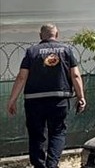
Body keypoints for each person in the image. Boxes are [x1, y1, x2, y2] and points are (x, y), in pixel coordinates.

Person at [5, 24, 86, 168]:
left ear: (40, 36)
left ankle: (39, 165)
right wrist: (81, 97)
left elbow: (21, 77)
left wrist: (12, 100)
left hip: (34, 101)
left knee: (36, 134)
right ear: (57, 34)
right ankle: (52, 164)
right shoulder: (66, 50)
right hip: (59, 99)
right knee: (57, 132)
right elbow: (75, 75)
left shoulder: (32, 52)